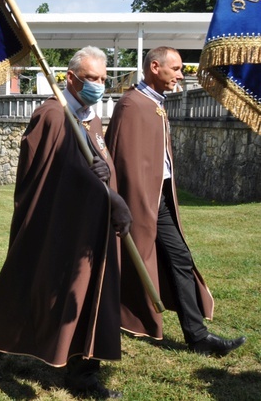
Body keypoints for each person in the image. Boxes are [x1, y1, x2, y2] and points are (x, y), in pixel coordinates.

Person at [0, 46, 132, 399]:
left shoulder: (91, 119)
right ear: (71, 79)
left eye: (103, 78)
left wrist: (104, 184)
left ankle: (82, 374)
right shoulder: (53, 115)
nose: (99, 85)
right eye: (91, 78)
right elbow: (44, 173)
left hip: (88, 233)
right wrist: (98, 186)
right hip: (52, 228)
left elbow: (93, 168)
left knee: (86, 298)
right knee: (30, 291)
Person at [105, 46, 246, 357]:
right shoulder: (132, 104)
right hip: (139, 202)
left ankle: (198, 337)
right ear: (155, 67)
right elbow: (123, 161)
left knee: (180, 258)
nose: (182, 75)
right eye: (177, 68)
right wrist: (132, 203)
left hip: (161, 198)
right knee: (127, 262)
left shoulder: (154, 103)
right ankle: (104, 320)